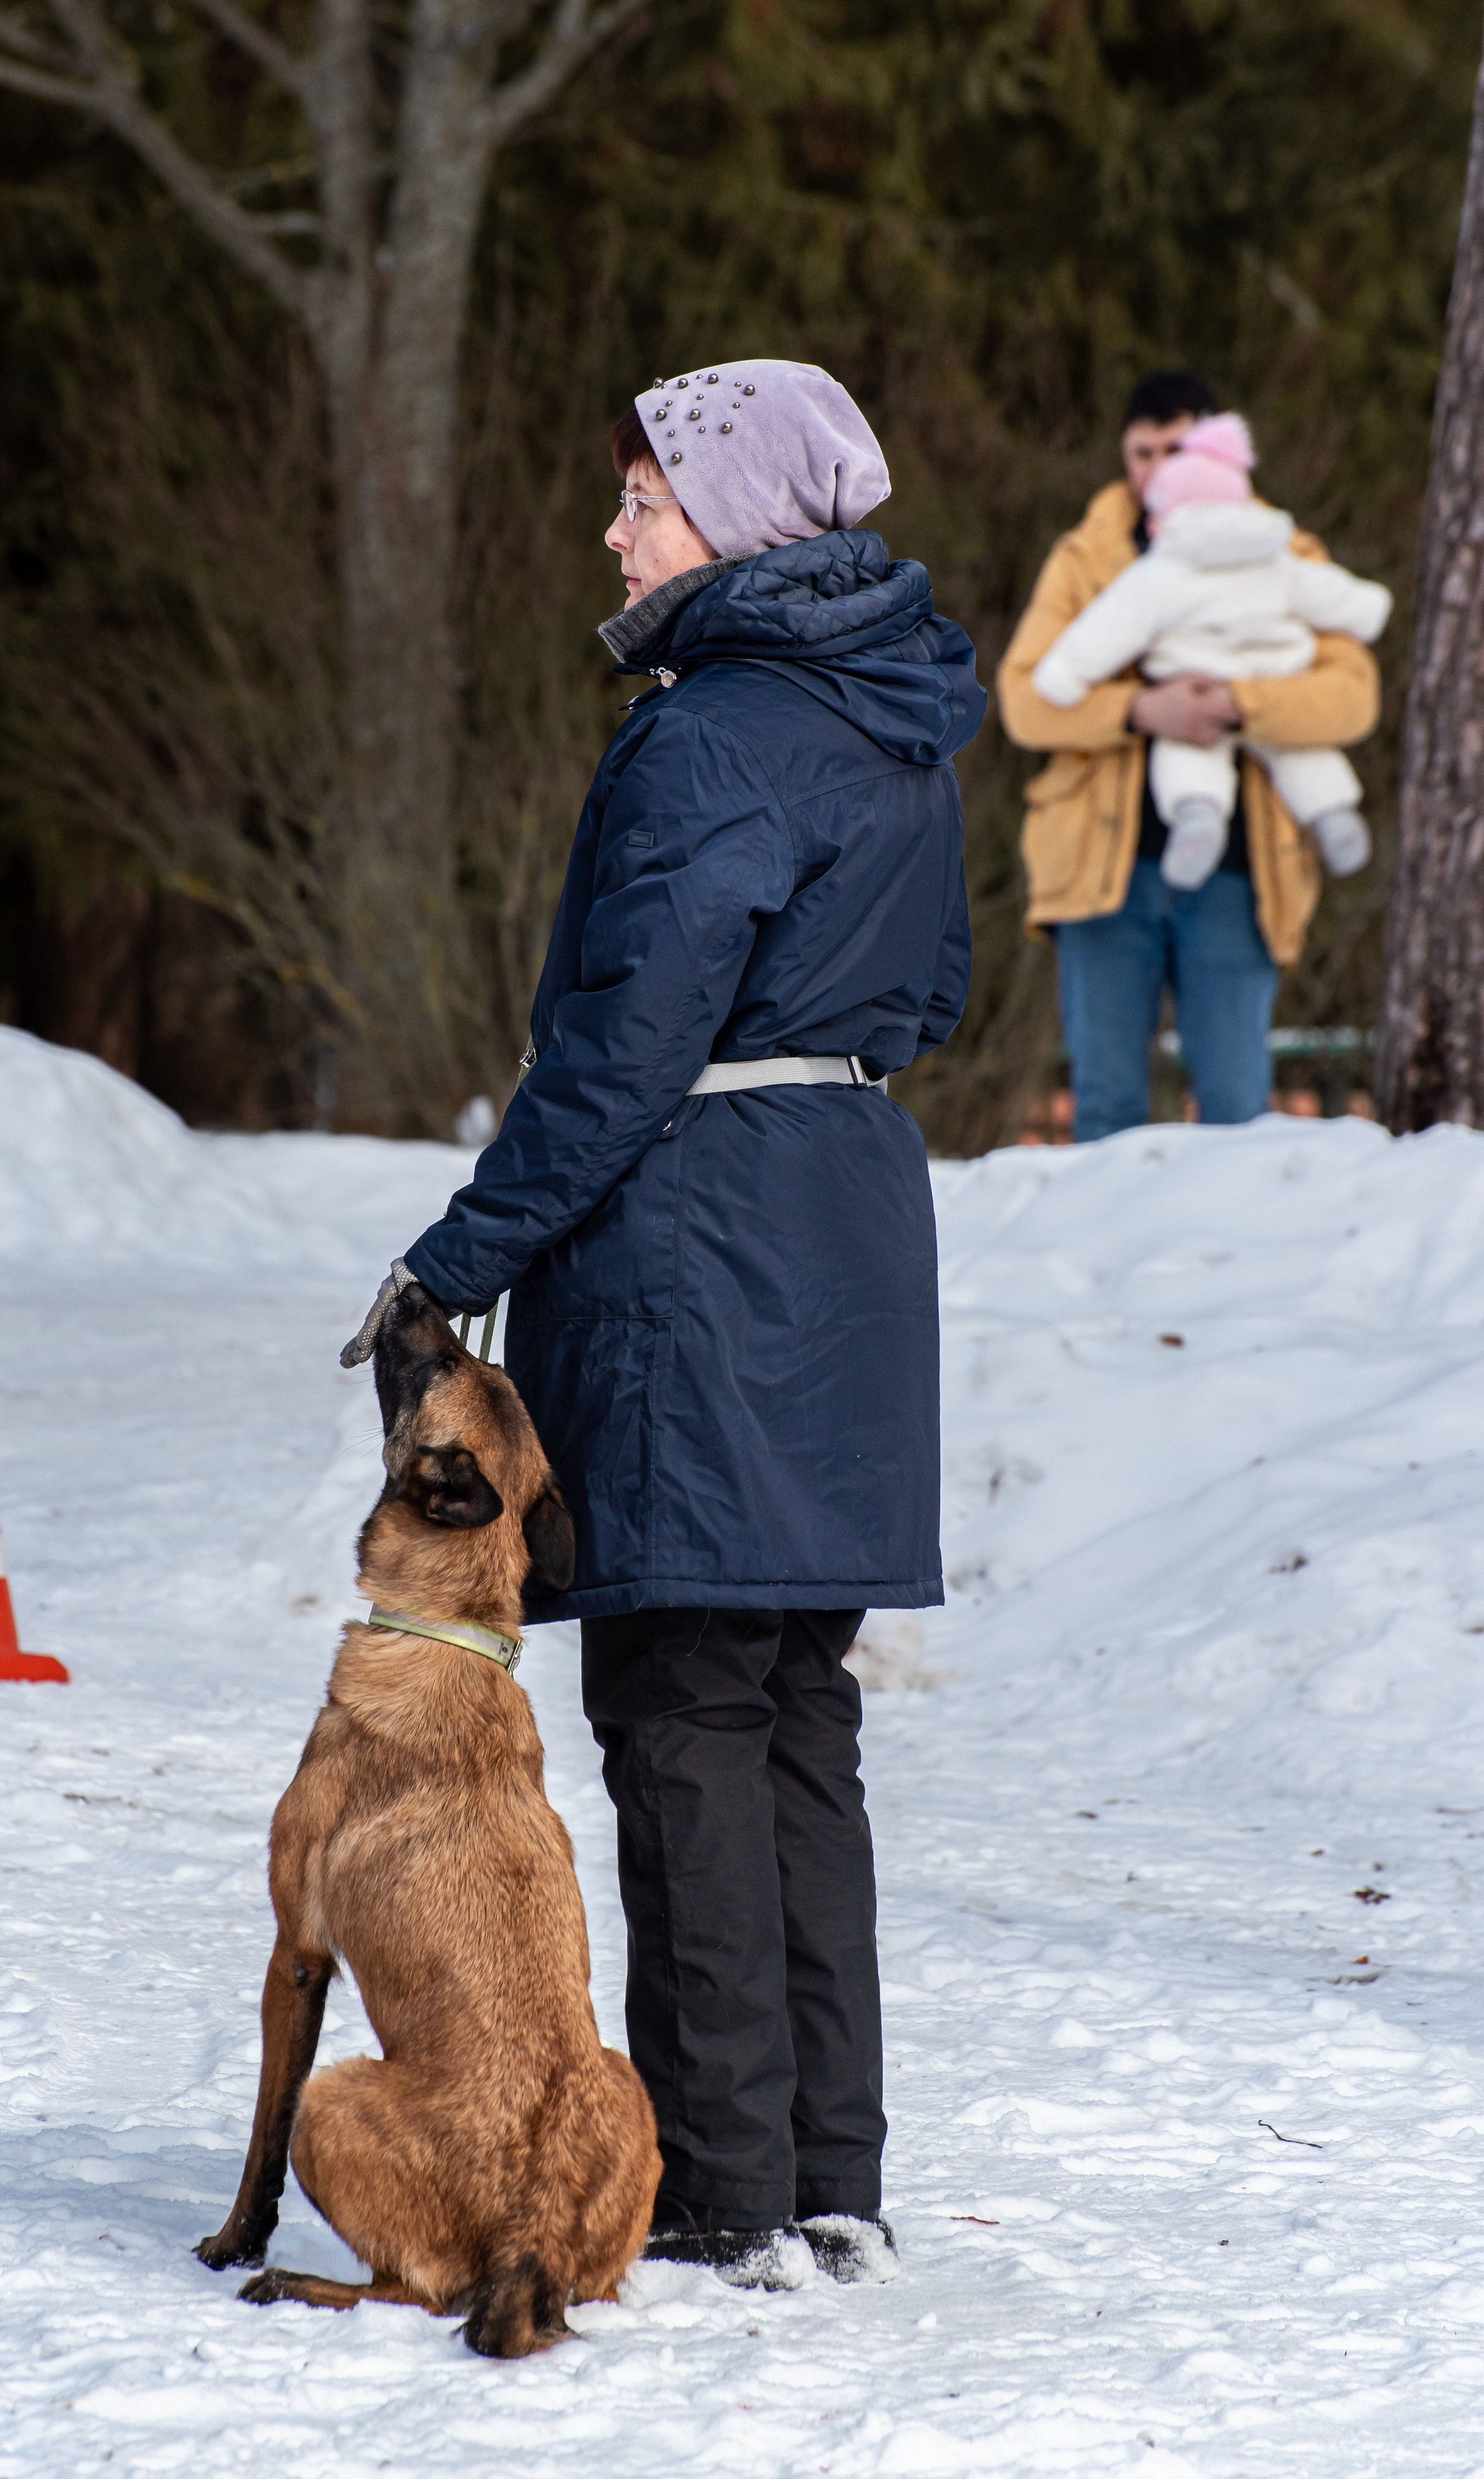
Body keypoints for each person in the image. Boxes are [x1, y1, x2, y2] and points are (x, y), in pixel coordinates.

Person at [347, 359, 982, 2290]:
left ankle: (721, 2187)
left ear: (741, 519)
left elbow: (624, 1039)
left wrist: (460, 1251)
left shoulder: (704, 737)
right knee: (794, 1705)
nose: (613, 532)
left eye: (643, 497)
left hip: (700, 1243)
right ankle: (829, 2173)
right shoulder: (902, 720)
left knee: (682, 1702)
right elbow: (936, 984)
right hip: (853, 1221)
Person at [996, 370, 1383, 1142]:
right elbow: (1024, 699)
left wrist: (1241, 702)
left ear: (1213, 445)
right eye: (1141, 452)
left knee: (1237, 1109)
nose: (1155, 467)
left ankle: (1233, 1261)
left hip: (1242, 874)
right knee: (1104, 1108)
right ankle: (1103, 1264)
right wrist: (1143, 710)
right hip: (1102, 871)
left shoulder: (1284, 547)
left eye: (1174, 448)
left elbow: (1353, 696)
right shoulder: (1086, 556)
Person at [1032, 412, 1390, 892]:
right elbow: (1339, 599)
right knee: (1303, 753)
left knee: (1189, 758)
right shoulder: (1281, 561)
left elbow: (1109, 627)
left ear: (1165, 514)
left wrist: (1065, 674)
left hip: (1196, 686)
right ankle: (1333, 814)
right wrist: (1373, 608)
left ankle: (1199, 819)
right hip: (1276, 674)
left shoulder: (1161, 571)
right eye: (1144, 451)